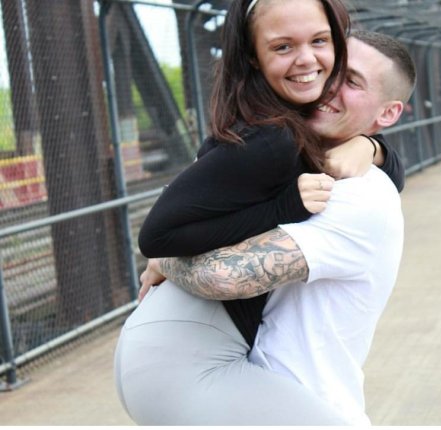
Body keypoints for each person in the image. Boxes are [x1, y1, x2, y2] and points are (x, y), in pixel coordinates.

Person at [123, 30, 417, 426]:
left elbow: (221, 276)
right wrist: (374, 146)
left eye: (351, 81)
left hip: (281, 390)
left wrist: (166, 256)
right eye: (331, 70)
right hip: (241, 383)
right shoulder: (279, 151)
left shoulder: (360, 193)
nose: (328, 85)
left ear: (388, 114)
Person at [136, 0, 404, 348]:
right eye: (283, 47)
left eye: (319, 41)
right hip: (191, 342)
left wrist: (373, 147)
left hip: (190, 335)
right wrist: (283, 208)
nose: (306, 59)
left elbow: (395, 177)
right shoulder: (272, 141)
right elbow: (156, 237)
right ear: (253, 56)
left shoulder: (283, 121)